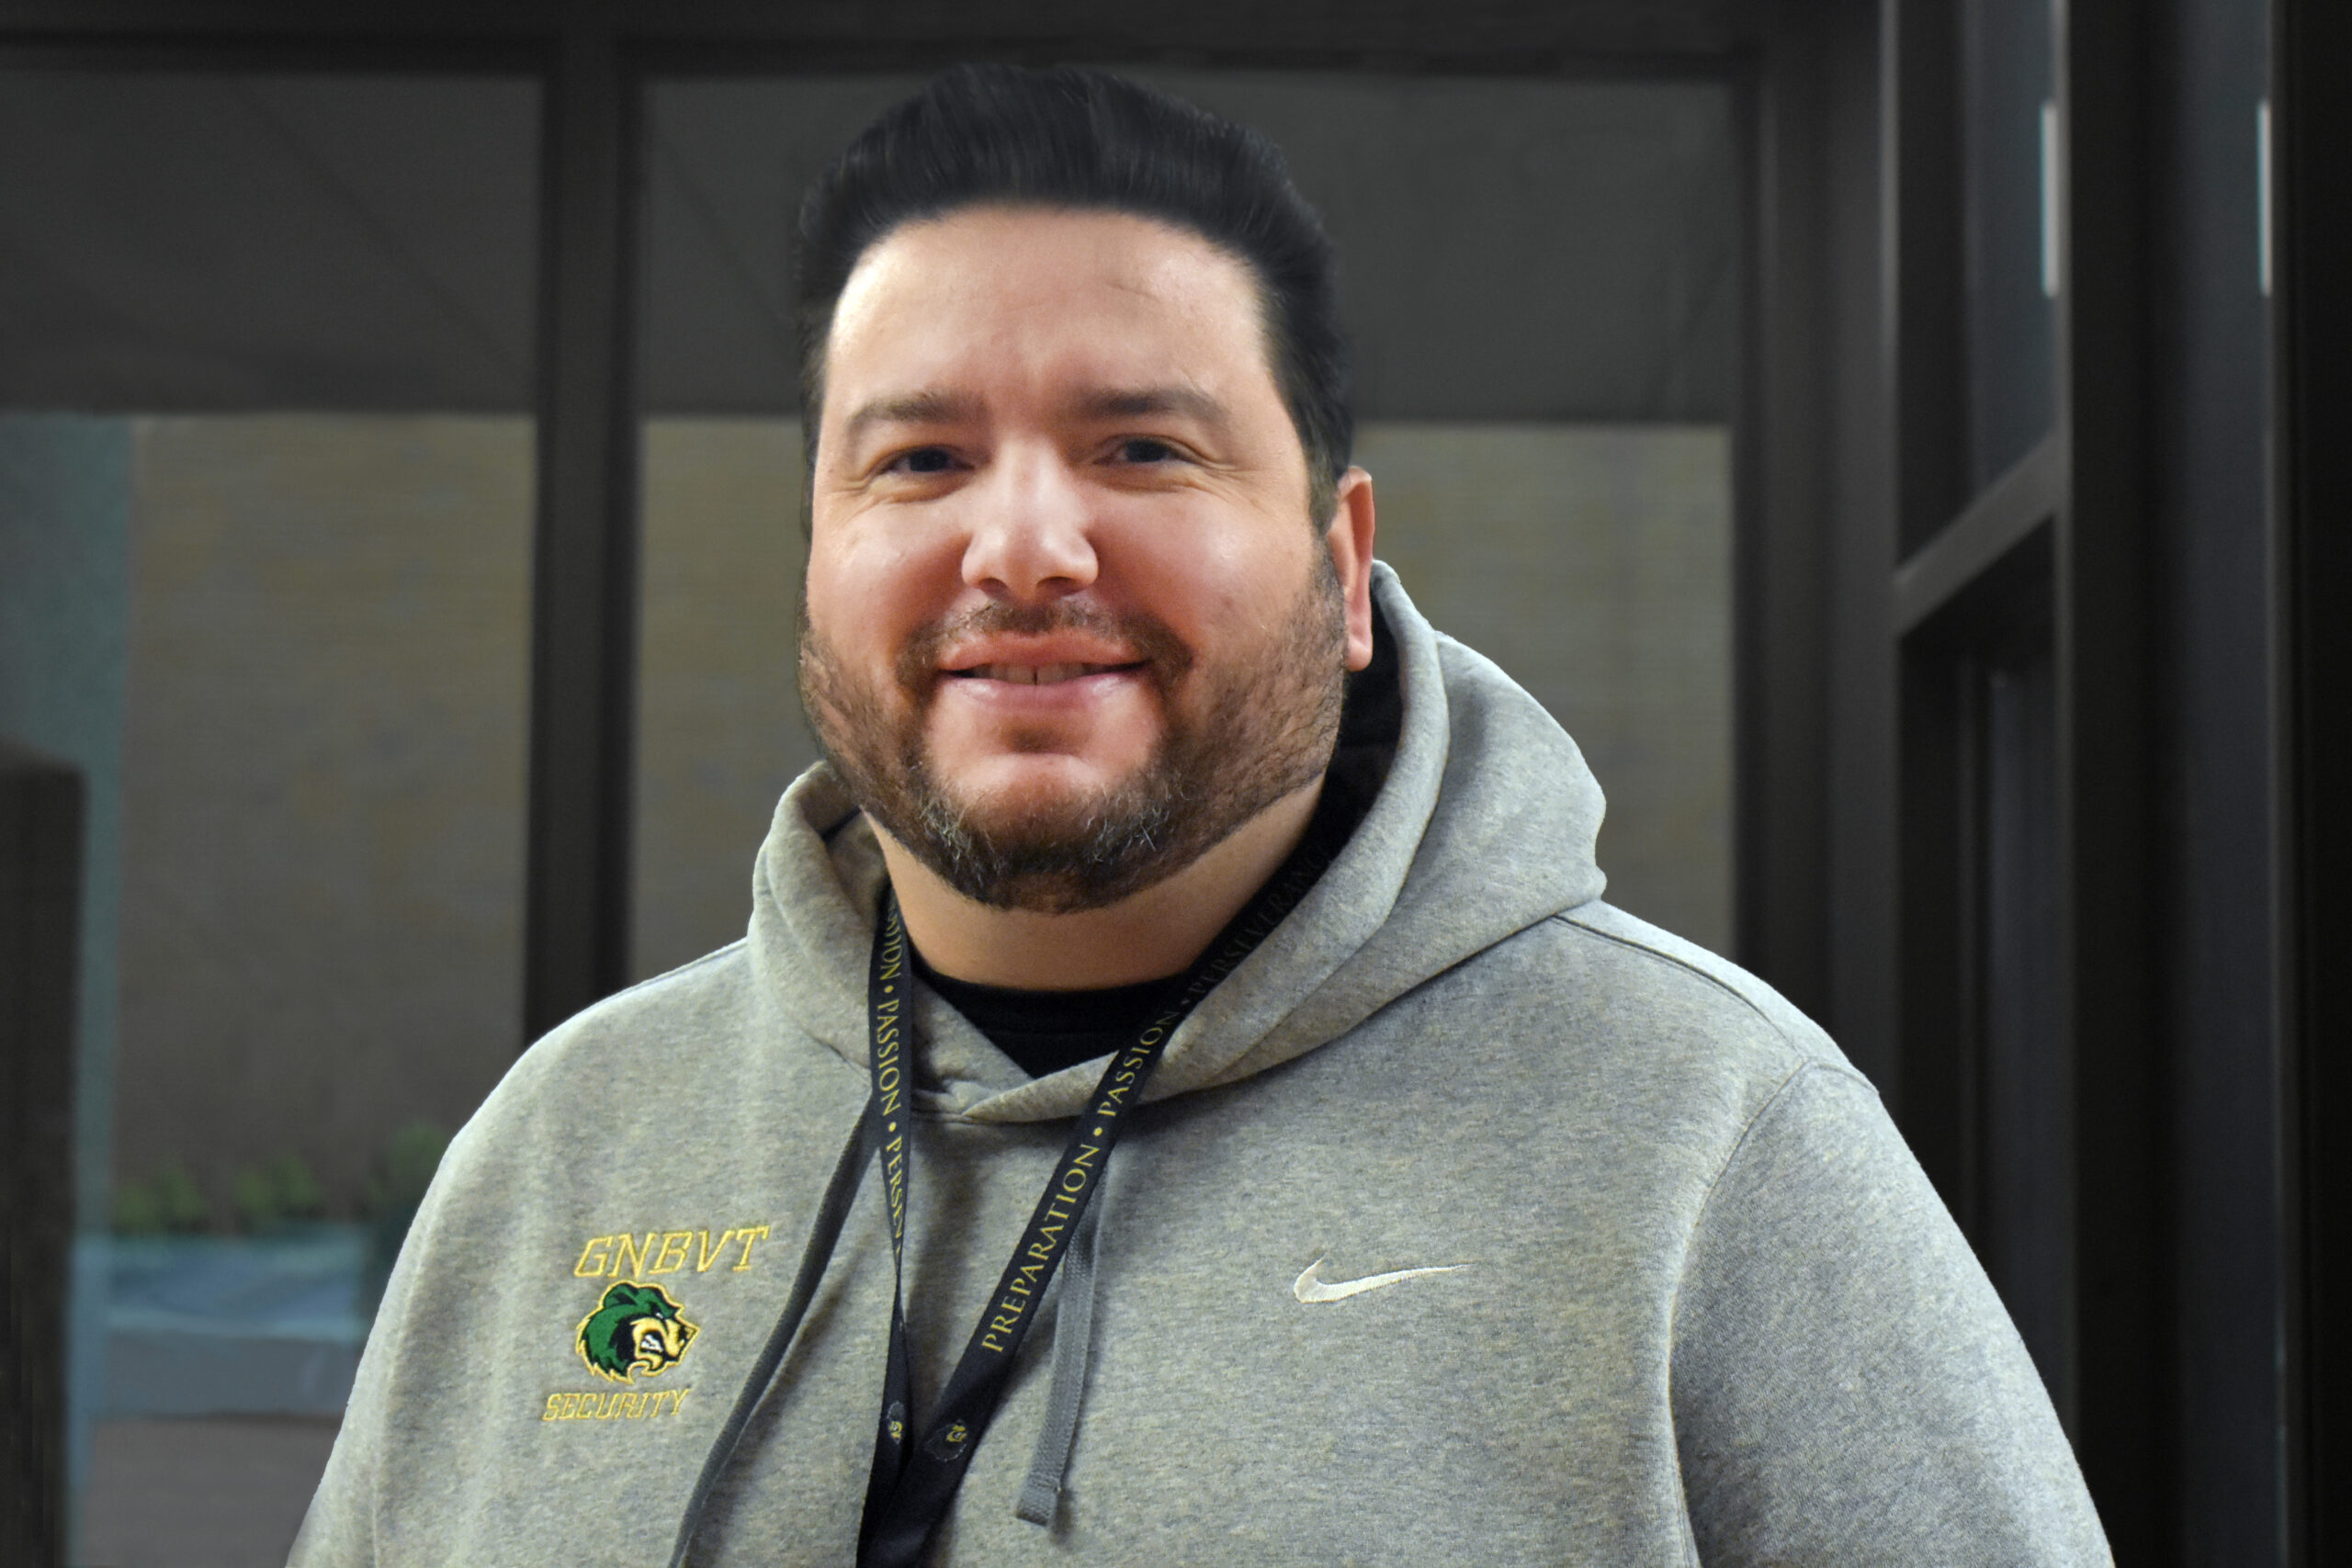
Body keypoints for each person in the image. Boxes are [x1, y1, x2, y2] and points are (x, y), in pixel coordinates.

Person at [295, 63, 2110, 1566]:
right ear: (817, 555)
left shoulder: (1712, 1149)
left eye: (1140, 447)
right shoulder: (563, 1152)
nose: (1018, 543)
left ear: (1339, 567)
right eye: (916, 459)